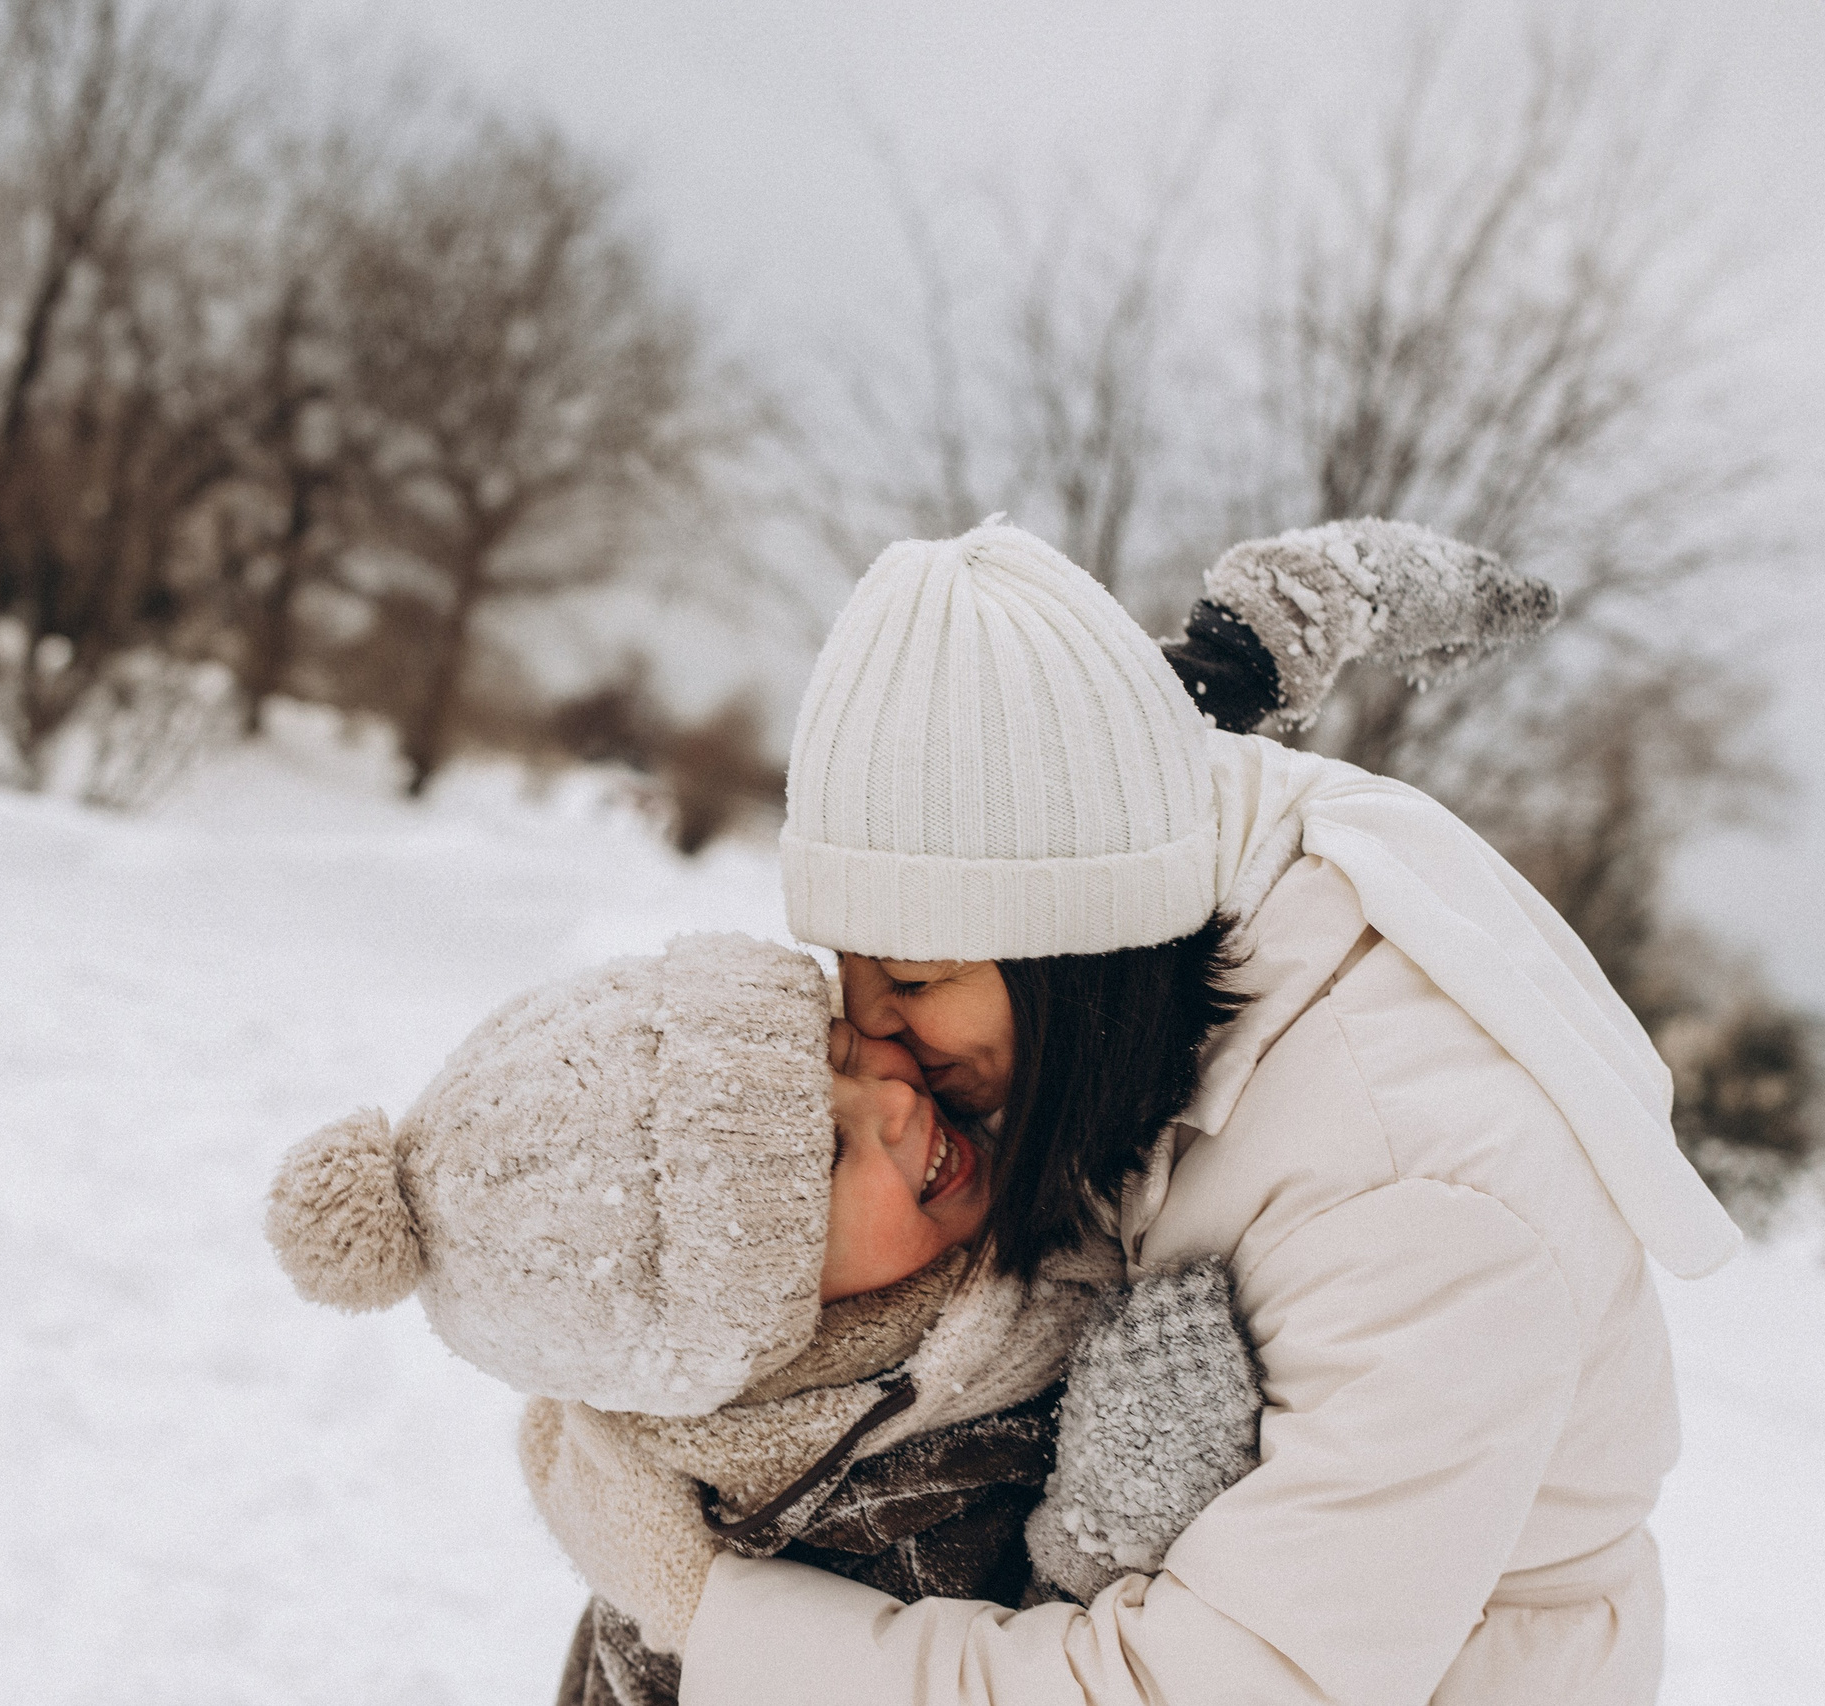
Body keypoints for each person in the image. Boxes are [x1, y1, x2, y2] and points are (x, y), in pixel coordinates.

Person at [676, 521, 1740, 1706]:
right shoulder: (1145, 870)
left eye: (916, 979)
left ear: (1080, 956)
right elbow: (1183, 729)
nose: (870, 1032)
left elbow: (1197, 1689)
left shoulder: (1416, 1192)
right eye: (849, 959)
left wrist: (700, 1615)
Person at [263, 932, 1266, 1706]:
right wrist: (1102, 1537)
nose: (892, 1097)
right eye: (831, 1154)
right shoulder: (826, 1515)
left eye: (839, 1047)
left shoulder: (945, 1238)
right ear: (751, 1304)